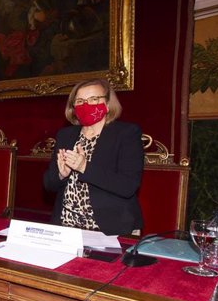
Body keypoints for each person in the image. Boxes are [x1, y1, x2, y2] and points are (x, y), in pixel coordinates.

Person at [43, 78, 143, 236]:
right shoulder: (65, 135)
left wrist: (84, 167)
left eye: (94, 99)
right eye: (80, 101)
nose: (86, 105)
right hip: (66, 225)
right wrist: (61, 175)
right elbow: (48, 184)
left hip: (110, 228)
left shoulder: (126, 133)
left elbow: (127, 186)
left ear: (108, 104)